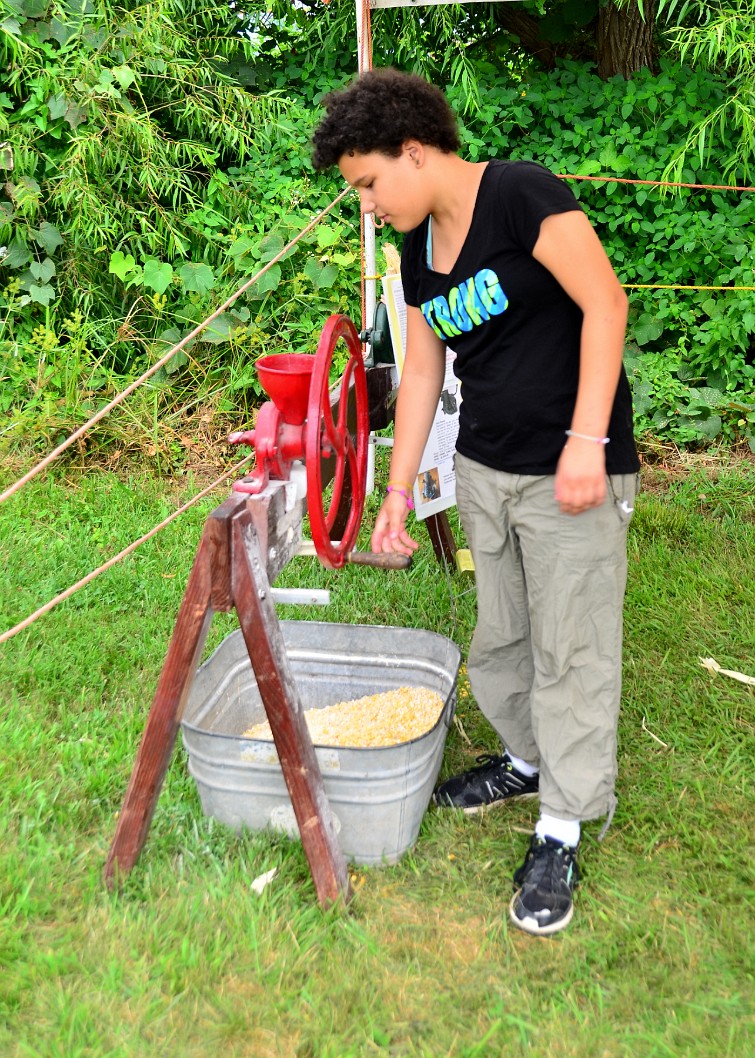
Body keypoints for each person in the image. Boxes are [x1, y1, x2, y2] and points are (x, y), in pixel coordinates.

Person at [312, 68, 639, 936]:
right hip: (487, 466)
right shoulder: (416, 249)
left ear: (413, 150)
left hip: (569, 467)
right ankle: (528, 760)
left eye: (370, 183)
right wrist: (395, 487)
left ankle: (562, 825)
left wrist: (585, 441)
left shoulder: (522, 195)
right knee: (502, 637)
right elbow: (424, 368)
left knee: (571, 649)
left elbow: (605, 305)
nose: (369, 205)